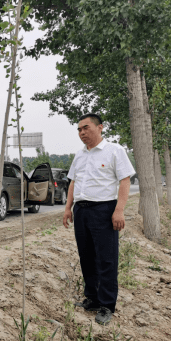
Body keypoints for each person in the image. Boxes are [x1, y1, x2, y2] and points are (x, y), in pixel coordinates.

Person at [63, 113, 135, 325]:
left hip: (104, 210)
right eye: (79, 130)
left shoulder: (114, 151)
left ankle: (106, 305)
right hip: (82, 211)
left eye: (86, 128)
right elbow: (73, 183)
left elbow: (125, 180)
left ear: (100, 127)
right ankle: (92, 298)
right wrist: (68, 208)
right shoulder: (80, 155)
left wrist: (119, 210)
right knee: (86, 256)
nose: (82, 132)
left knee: (106, 258)